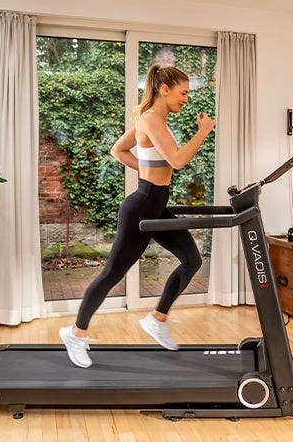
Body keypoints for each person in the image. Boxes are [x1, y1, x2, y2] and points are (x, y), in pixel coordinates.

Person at [60, 64, 216, 368]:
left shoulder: (156, 120)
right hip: (141, 207)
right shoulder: (151, 119)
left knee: (192, 260)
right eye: (183, 93)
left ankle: (157, 319)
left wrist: (148, 172)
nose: (186, 99)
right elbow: (178, 160)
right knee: (112, 275)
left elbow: (118, 150)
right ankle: (75, 334)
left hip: (155, 205)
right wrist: (203, 131)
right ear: (164, 89)